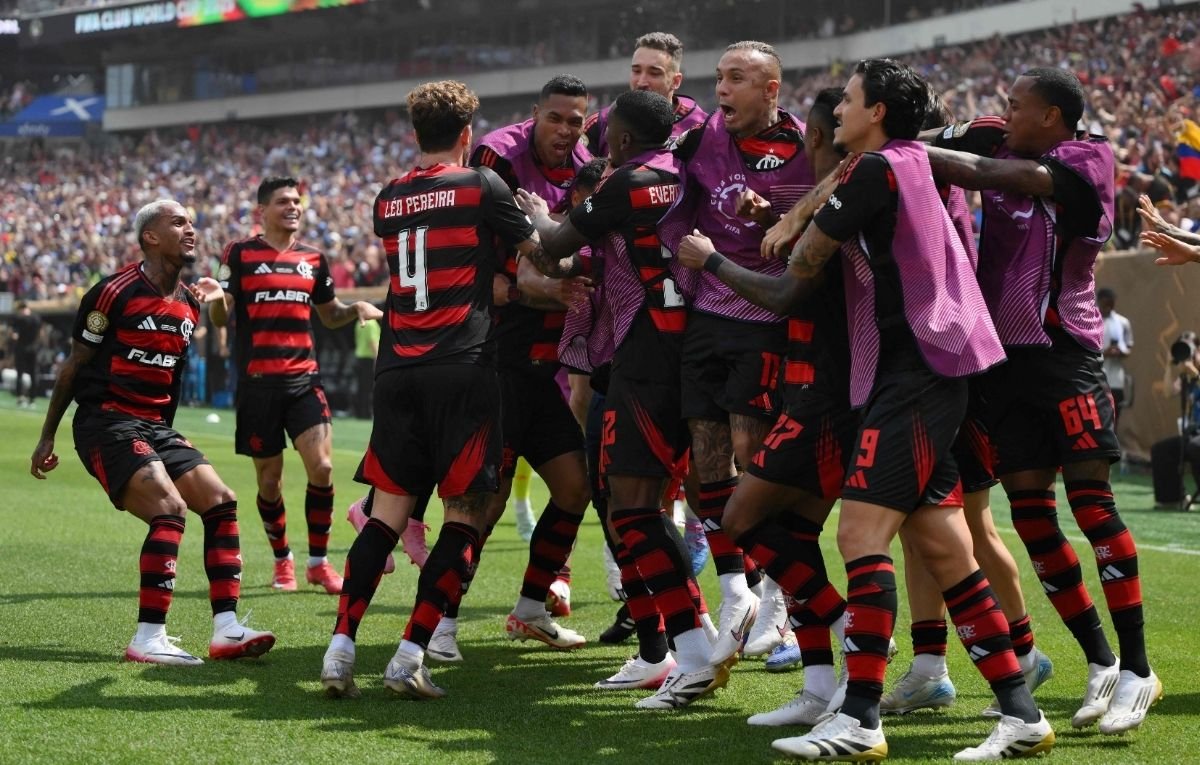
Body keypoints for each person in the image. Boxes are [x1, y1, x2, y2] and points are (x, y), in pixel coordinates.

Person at [684, 59, 1053, 761]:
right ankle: (1021, 713)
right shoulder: (903, 161)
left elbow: (789, 289)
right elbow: (838, 191)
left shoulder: (875, 170)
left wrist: (716, 259)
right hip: (926, 371)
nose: (837, 112)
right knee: (944, 547)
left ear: (876, 111)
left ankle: (857, 715)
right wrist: (792, 211)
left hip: (914, 374)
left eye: (849, 100)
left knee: (859, 536)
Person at [927, 67, 1161, 735]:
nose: (1004, 113)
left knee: (1093, 506)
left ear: (1052, 117)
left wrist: (902, 154)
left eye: (1016, 105)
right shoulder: (997, 137)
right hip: (1005, 365)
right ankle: (1101, 660)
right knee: (1031, 518)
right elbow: (934, 138)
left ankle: (1139, 669)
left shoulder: (1088, 157)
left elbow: (991, 174)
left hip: (1065, 355)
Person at [319, 80, 552, 700]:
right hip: (462, 367)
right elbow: (541, 253)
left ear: (414, 132)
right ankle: (408, 655)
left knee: (386, 517)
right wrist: (541, 221)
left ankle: (340, 649)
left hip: (397, 369)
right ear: (468, 134)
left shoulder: (388, 197)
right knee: (465, 517)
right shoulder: (482, 185)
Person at [516, 88, 727, 709]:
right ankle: (697, 639)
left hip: (646, 354)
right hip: (683, 350)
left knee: (631, 509)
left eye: (605, 131)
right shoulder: (683, 171)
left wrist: (536, 214)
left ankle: (699, 647)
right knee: (646, 503)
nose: (599, 141)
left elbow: (557, 243)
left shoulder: (629, 179)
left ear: (624, 138)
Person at [30, 199, 275, 665]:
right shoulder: (112, 292)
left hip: (155, 426)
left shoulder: (188, 304)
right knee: (169, 508)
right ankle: (148, 638)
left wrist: (166, 437)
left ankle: (226, 629)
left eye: (192, 222)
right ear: (151, 237)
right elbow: (74, 365)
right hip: (106, 422)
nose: (191, 230)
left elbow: (174, 377)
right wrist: (47, 436)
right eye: (178, 222)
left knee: (221, 501)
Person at [678, 86, 856, 726]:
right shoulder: (839, 195)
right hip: (821, 383)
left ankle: (853, 635)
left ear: (820, 138)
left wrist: (713, 260)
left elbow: (787, 295)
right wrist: (770, 222)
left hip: (832, 393)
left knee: (747, 516)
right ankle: (819, 685)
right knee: (796, 535)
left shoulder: (855, 195)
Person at [883, 87, 1052, 719]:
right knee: (918, 524)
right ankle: (930, 666)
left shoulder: (922, 176)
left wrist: (911, 143)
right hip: (934, 367)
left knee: (969, 525)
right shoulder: (916, 178)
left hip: (954, 369)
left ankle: (1024, 653)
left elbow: (986, 131)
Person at [663, 40, 818, 665]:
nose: (721, 89)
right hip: (707, 318)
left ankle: (782, 600)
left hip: (767, 320)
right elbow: (675, 210)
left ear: (770, 89)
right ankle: (736, 592)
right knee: (707, 459)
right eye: (718, 78)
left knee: (757, 460)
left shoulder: (808, 146)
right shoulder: (700, 141)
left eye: (736, 79)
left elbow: (822, 229)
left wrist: (775, 214)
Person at [460, 75, 593, 655]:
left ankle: (531, 609)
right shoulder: (497, 157)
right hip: (495, 356)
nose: (565, 130)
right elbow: (497, 264)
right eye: (555, 118)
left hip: (544, 365)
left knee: (575, 486)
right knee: (482, 501)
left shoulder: (588, 167)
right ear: (535, 113)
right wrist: (537, 283)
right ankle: (439, 622)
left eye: (576, 121)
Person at [210, 177, 382, 595]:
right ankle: (282, 559)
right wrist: (214, 298)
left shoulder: (313, 259)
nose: (293, 207)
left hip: (304, 380)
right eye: (283, 201)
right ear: (262, 211)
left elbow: (330, 314)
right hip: (257, 386)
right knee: (269, 482)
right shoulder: (240, 254)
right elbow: (220, 317)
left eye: (296, 201)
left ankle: (318, 564)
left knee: (322, 468)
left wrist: (355, 308)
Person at [582, 32, 707, 158]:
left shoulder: (702, 128)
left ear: (676, 81)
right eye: (636, 71)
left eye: (654, 73)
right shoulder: (600, 123)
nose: (641, 82)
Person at [1097, 287, 1133, 423]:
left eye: (1111, 305)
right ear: (1099, 302)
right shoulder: (1091, 321)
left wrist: (1120, 352)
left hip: (1116, 380)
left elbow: (1128, 347)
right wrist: (1104, 353)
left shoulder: (1122, 322)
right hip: (1097, 378)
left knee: (1113, 419)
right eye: (1105, 304)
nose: (1108, 308)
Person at [12, 300, 41, 406]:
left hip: (21, 348)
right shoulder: (36, 318)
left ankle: (20, 397)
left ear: (20, 309)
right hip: (33, 349)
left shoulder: (18, 319)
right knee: (34, 373)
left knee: (20, 373)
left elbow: (14, 335)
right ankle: (32, 399)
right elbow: (39, 333)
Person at [353, 308, 380, 419]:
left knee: (361, 388)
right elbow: (373, 343)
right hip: (369, 359)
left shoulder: (358, 323)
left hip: (359, 358)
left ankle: (360, 412)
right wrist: (378, 360)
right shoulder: (372, 324)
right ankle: (367, 414)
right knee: (369, 389)